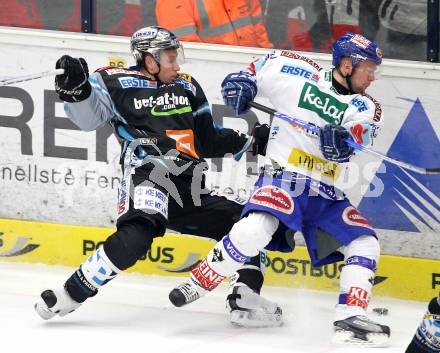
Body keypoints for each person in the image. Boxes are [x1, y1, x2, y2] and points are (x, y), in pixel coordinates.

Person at [34, 25, 282, 328]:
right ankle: (68, 294)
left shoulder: (188, 86)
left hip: (190, 185)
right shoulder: (112, 81)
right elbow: (88, 120)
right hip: (148, 175)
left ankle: (245, 297)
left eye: (176, 57)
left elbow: (207, 140)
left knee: (248, 223)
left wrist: (253, 140)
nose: (176, 65)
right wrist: (76, 91)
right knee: (135, 238)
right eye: (169, 58)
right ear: (148, 59)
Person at [169, 32, 391, 346]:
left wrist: (343, 137)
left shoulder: (366, 105)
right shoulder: (296, 70)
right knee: (256, 228)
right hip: (284, 178)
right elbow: (253, 71)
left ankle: (349, 317)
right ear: (346, 64)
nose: (372, 76)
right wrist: (241, 85)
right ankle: (201, 279)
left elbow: (362, 130)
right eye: (368, 68)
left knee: (365, 243)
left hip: (326, 194)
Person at [156, 0, 273, 48]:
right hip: (213, 73)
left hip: (251, 68)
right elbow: (186, 50)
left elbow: (257, 27)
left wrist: (267, 59)